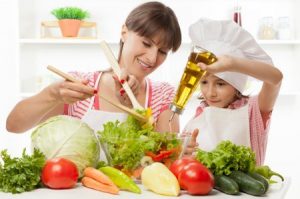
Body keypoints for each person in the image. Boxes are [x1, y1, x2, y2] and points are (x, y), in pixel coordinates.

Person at [6, 1, 182, 134]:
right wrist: (53, 94)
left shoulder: (163, 95)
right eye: (146, 43)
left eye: (163, 52)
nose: (152, 58)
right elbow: (14, 125)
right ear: (124, 32)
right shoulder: (81, 85)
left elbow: (168, 158)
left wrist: (135, 112)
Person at [183, 18, 283, 165]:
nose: (210, 93)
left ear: (237, 85)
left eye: (220, 84)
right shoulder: (198, 115)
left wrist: (232, 63)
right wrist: (184, 154)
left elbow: (276, 79)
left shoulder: (254, 110)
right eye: (204, 82)